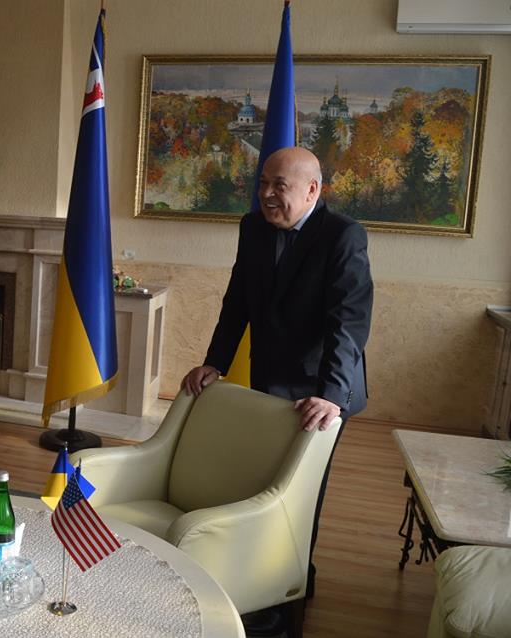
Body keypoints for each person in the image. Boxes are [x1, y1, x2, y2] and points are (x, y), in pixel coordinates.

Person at [182, 146, 373, 602]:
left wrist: (332, 395)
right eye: (263, 183)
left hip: (320, 392)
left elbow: (348, 322)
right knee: (261, 481)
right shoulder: (252, 227)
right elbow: (237, 302)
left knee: (300, 493)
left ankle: (291, 585)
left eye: (279, 186)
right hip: (266, 380)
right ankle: (255, 575)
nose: (266, 194)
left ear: (312, 190)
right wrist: (216, 362)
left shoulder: (343, 235)